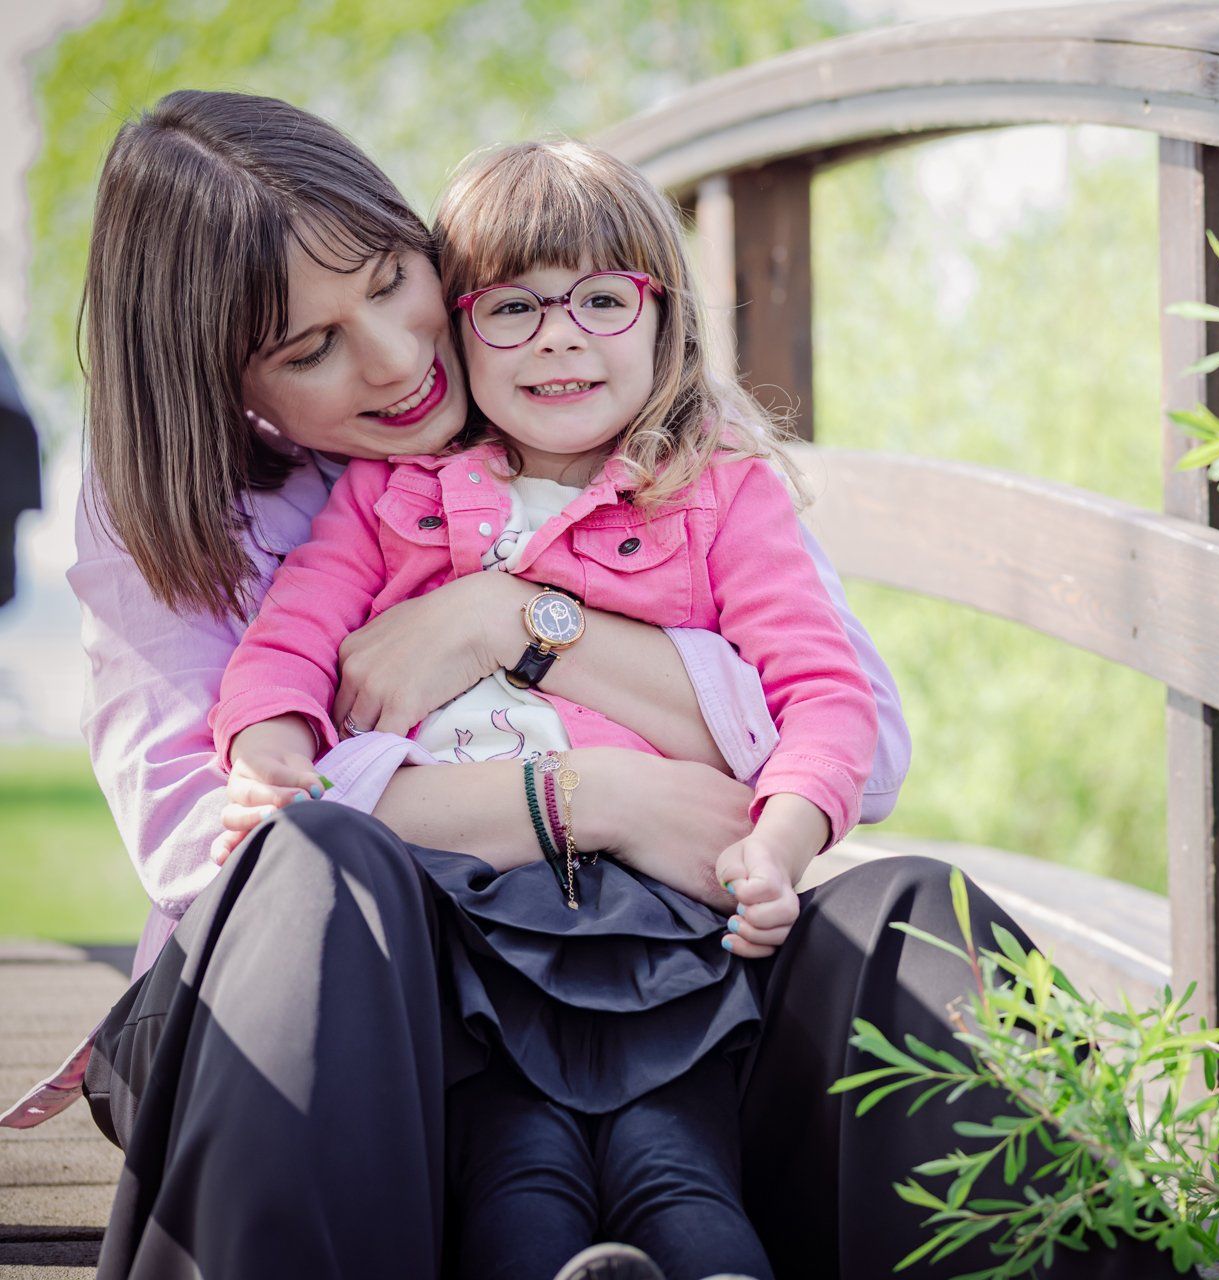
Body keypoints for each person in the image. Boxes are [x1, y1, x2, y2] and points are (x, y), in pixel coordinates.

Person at [2, 89, 1179, 1279]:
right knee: (322, 872)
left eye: (393, 281)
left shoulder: (630, 406)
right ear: (224, 377)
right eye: (311, 347)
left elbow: (851, 742)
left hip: (655, 959)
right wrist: (588, 796)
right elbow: (215, 835)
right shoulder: (171, 503)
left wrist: (513, 621)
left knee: (913, 917)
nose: (402, 359)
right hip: (347, 1023)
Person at [210, 135, 884, 1280]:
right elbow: (291, 641)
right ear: (460, 331)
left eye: (602, 299)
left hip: (662, 916)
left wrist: (780, 837)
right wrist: (269, 757)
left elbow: (824, 690)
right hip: (461, 910)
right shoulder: (392, 496)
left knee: (674, 1151)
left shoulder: (716, 489)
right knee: (513, 1157)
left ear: (665, 317)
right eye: (512, 307)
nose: (561, 334)